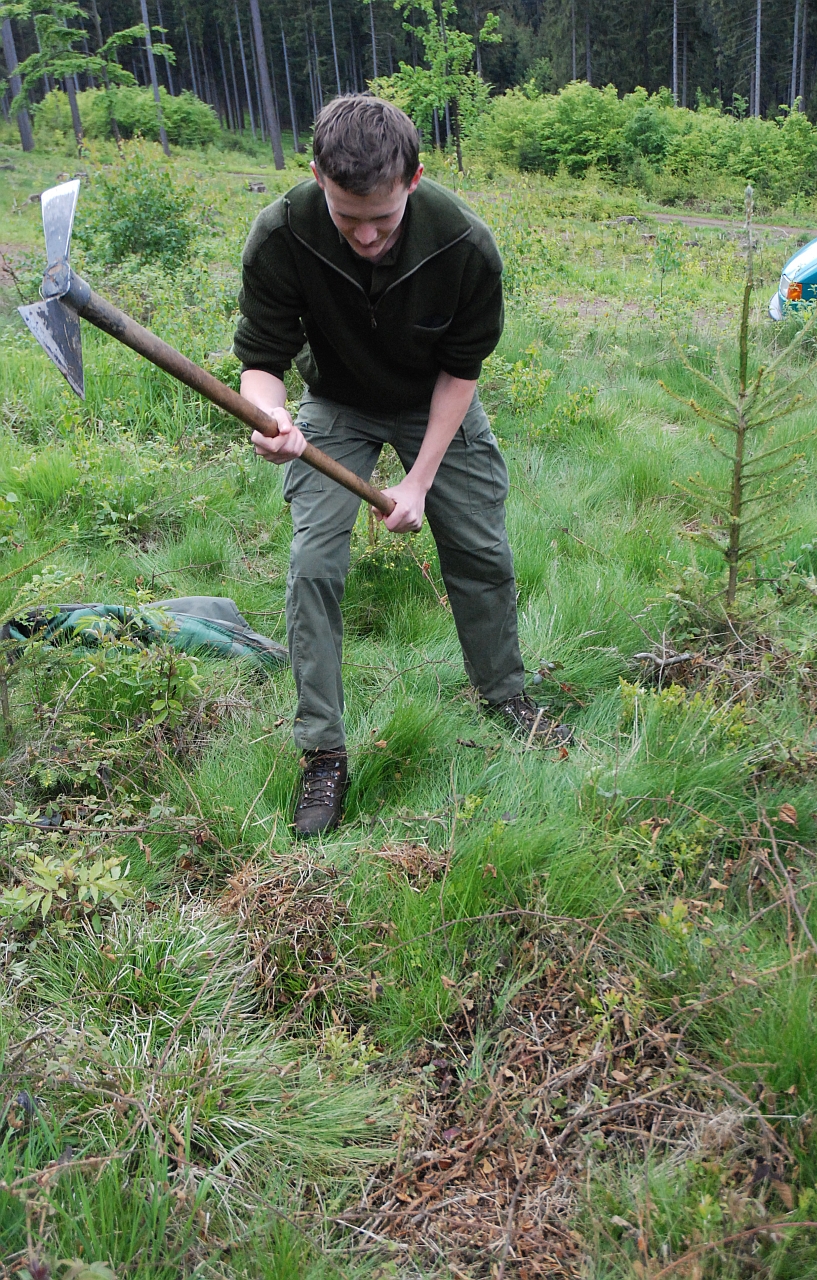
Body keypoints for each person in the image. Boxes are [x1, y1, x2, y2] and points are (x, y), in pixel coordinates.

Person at [234, 94, 569, 837]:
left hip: (433, 400)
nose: (364, 235)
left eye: (381, 219)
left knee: (480, 550)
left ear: (413, 180)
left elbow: (461, 371)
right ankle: (323, 751)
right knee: (314, 564)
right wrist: (272, 416)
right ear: (317, 176)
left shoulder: (464, 244)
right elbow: (261, 359)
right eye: (346, 215)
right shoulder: (282, 232)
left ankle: (504, 694)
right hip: (336, 403)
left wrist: (418, 482)